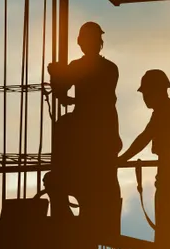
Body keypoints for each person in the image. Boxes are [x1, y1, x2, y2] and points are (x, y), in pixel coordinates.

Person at [44, 21, 122, 237]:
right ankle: (95, 223)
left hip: (89, 133)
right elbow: (66, 93)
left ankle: (69, 221)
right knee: (99, 188)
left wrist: (56, 74)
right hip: (104, 134)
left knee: (59, 181)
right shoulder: (110, 68)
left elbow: (62, 92)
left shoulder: (84, 67)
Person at [118, 69, 170, 249]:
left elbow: (144, 137)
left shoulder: (165, 114)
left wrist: (121, 159)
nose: (144, 98)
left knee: (166, 225)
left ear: (157, 92)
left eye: (146, 94)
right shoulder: (169, 114)